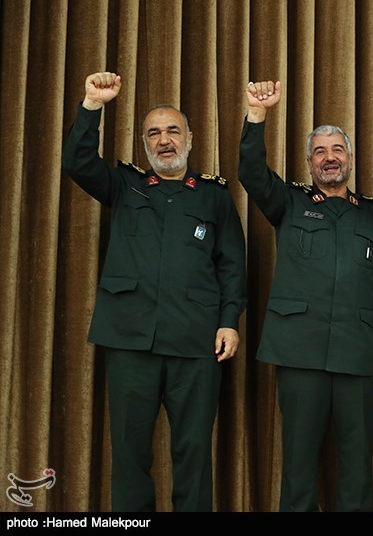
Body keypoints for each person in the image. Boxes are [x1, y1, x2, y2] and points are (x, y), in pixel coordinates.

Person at [61, 72, 247, 511]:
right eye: (153, 133)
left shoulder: (214, 195)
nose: (164, 140)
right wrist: (92, 105)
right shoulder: (124, 186)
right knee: (129, 453)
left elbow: (232, 265)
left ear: (190, 139)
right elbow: (77, 162)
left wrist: (229, 321)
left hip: (196, 342)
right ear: (144, 143)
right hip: (130, 340)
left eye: (172, 131)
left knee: (193, 453)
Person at [238, 80, 373, 512]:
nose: (329, 158)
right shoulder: (288, 202)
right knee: (298, 463)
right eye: (319, 152)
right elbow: (251, 172)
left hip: (358, 352)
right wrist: (257, 115)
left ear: (349, 158)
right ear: (310, 162)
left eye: (337, 150)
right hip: (300, 350)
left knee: (357, 464)